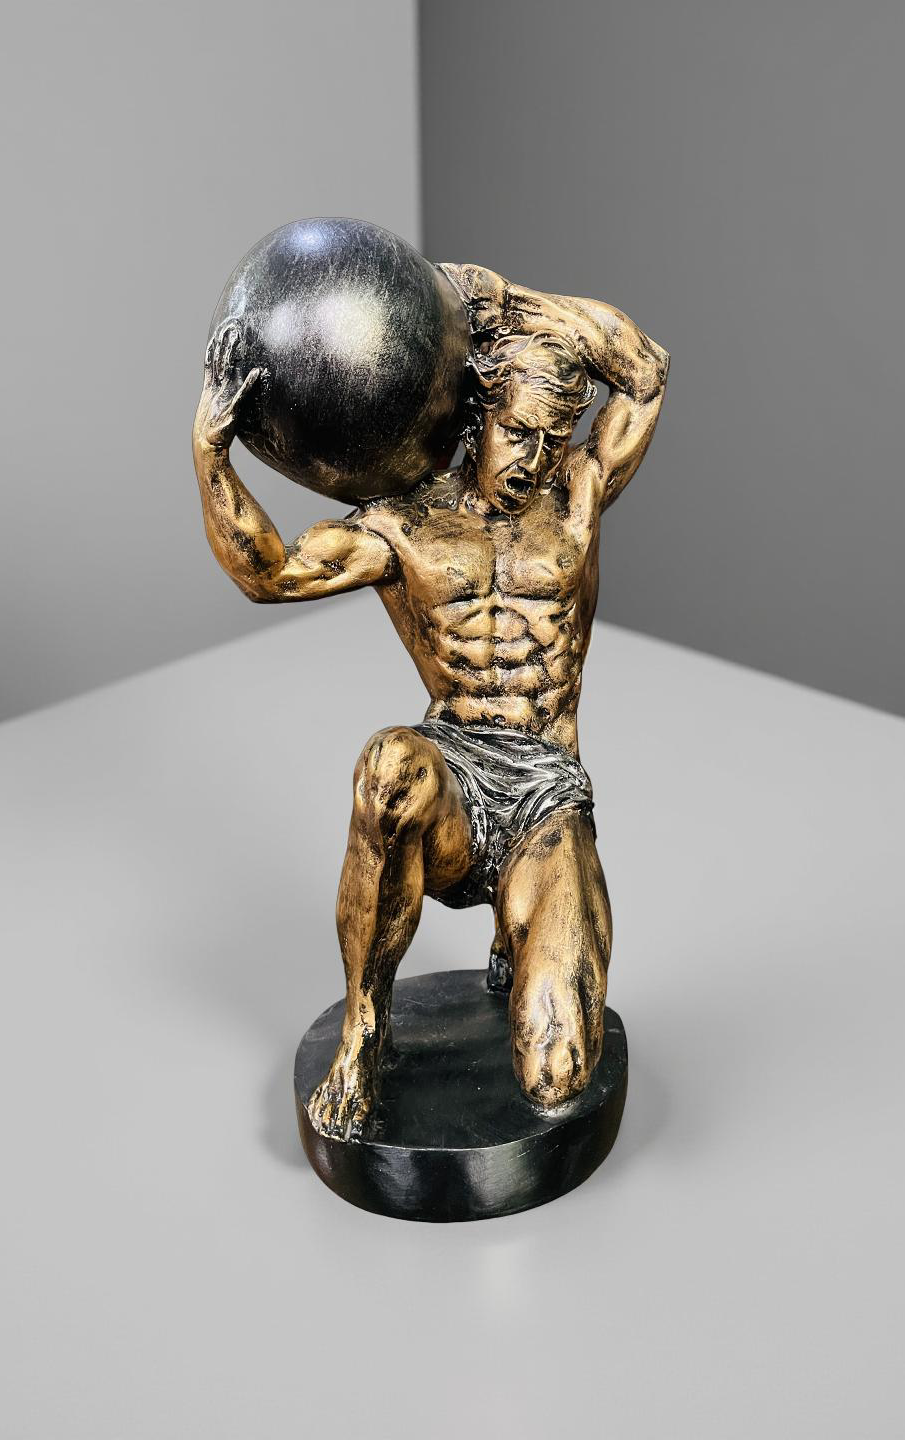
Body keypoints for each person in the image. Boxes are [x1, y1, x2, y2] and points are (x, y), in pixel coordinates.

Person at [194, 263, 667, 1139]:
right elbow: (272, 573)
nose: (532, 459)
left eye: (551, 438)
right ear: (481, 415)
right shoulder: (406, 523)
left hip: (545, 795)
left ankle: (521, 931)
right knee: (389, 766)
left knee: (558, 1077)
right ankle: (364, 1028)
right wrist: (210, 454)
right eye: (517, 432)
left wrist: (500, 301)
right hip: (456, 774)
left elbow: (643, 371)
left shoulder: (578, 492)